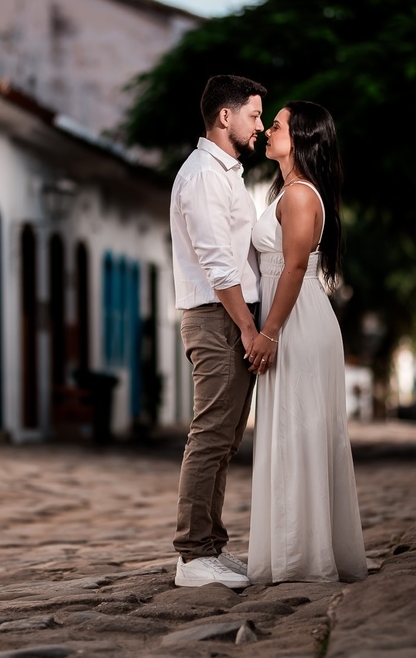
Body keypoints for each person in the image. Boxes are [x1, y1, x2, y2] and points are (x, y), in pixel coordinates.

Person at [244, 100, 368, 584]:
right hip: (289, 314)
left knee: (299, 433)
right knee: (289, 433)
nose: (268, 130)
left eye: (276, 125)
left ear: (300, 138)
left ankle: (303, 557)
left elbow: (294, 267)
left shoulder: (299, 196)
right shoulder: (289, 190)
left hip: (295, 320)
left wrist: (269, 331)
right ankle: (294, 549)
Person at [170, 74, 266, 589]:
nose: (261, 126)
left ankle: (210, 547)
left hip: (229, 315)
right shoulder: (204, 176)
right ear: (224, 117)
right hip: (217, 318)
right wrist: (249, 328)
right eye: (253, 115)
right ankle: (191, 556)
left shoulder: (226, 173)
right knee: (209, 436)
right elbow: (218, 265)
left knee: (225, 439)